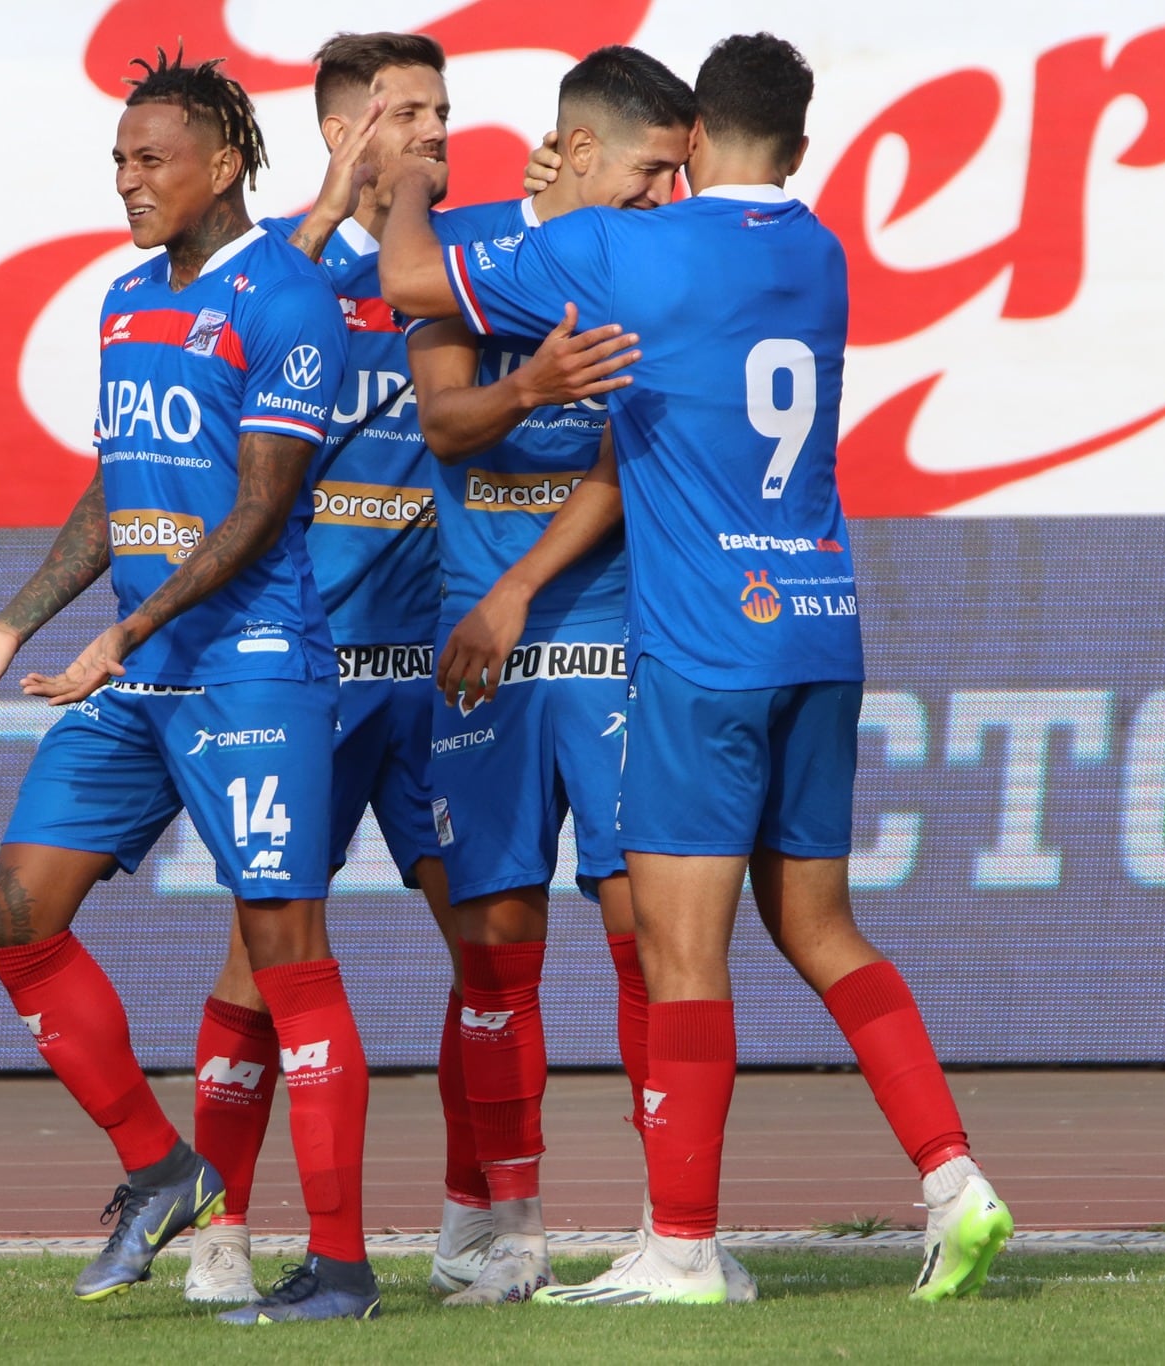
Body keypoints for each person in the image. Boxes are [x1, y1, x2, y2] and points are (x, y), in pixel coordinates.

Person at [381, 32, 1014, 1305]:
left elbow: (408, 278)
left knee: (677, 955)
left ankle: (680, 1248)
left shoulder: (632, 248)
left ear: (702, 140)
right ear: (797, 142)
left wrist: (405, 173)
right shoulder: (821, 254)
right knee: (821, 926)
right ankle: (954, 1180)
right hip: (821, 629)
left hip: (699, 648)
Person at [0, 50, 377, 1325]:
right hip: (140, 663)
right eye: (118, 159)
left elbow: (262, 499)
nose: (126, 180)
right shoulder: (123, 299)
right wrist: (15, 624)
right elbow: (117, 485)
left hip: (253, 670)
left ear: (222, 167)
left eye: (148, 158)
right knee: (13, 911)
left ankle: (339, 1264)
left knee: (287, 959)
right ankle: (160, 1168)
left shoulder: (288, 300)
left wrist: (129, 633)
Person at [377, 45, 751, 1305]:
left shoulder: (663, 270)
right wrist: (528, 380)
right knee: (492, 944)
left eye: (678, 175)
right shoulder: (469, 256)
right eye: (651, 170)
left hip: (597, 632)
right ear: (578, 151)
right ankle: (506, 1224)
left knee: (644, 933)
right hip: (480, 658)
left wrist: (519, 583)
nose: (665, 198)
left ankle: (671, 1224)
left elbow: (618, 467)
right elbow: (440, 420)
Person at [172, 30, 489, 1306]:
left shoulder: (461, 272)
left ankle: (483, 1220)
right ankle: (222, 1225)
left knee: (489, 943)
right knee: (258, 961)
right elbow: (211, 335)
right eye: (403, 112)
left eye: (441, 109)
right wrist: (312, 224)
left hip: (437, 673)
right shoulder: (283, 278)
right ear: (341, 134)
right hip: (311, 674)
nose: (431, 132)